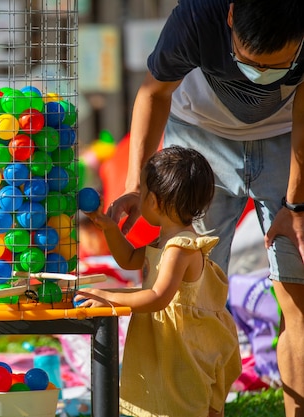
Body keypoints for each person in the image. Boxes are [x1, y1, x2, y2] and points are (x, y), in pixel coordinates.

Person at [108, 1, 304, 414]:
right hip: (200, 142)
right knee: (186, 299)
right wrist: (136, 187)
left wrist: (296, 204)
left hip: (286, 140)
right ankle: (182, 403)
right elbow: (153, 92)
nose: (262, 77)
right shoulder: (197, 17)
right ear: (231, 17)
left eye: (279, 66)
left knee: (298, 298)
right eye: (252, 63)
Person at [75, 146, 242, 417]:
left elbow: (157, 297)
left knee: (186, 404)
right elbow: (129, 259)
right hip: (169, 341)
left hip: (184, 346)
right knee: (169, 402)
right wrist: (109, 229)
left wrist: (107, 296)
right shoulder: (165, 241)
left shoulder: (180, 248)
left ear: (154, 201)